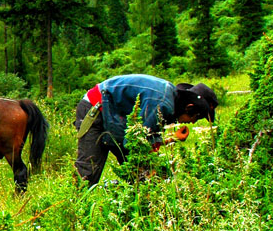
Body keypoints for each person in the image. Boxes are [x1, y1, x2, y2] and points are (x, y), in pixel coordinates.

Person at [74, 74, 217, 186]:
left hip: (114, 115)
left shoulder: (169, 100)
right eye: (196, 117)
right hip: (97, 107)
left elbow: (145, 137)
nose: (192, 122)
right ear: (189, 107)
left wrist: (172, 138)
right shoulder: (163, 104)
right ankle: (74, 206)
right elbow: (135, 143)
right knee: (89, 172)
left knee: (143, 175)